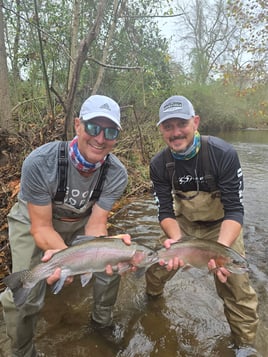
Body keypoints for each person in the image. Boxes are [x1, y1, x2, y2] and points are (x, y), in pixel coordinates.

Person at [0, 95, 129, 357]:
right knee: (26, 293)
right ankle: (23, 351)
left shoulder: (117, 173)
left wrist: (105, 252)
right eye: (94, 127)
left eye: (110, 131)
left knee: (111, 263)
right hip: (34, 220)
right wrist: (65, 263)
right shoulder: (40, 162)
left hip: (81, 221)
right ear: (78, 125)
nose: (101, 138)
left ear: (116, 136)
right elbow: (42, 228)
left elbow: (96, 225)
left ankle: (101, 321)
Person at [145, 95, 260, 356]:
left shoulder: (223, 154)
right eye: (168, 126)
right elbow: (164, 211)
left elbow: (234, 210)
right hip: (182, 225)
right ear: (161, 130)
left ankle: (245, 346)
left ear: (195, 122)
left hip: (222, 228)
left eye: (181, 124)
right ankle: (152, 301)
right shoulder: (159, 164)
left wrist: (220, 252)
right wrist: (177, 243)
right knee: (154, 267)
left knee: (237, 287)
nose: (175, 133)